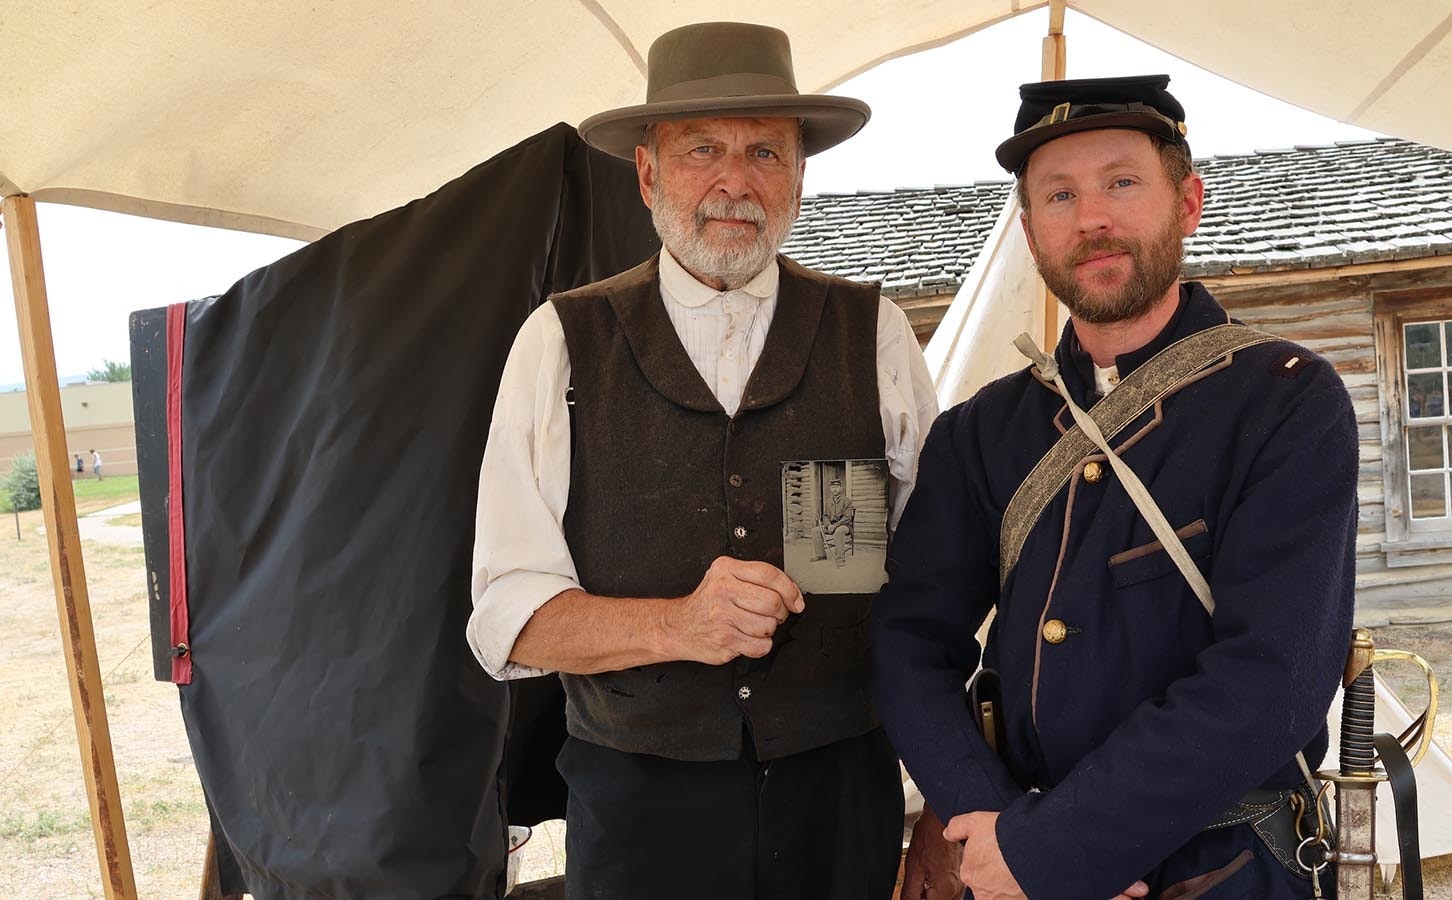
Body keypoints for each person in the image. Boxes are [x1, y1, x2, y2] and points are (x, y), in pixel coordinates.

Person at [466, 21, 937, 900]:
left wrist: (950, 801)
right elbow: (508, 618)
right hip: (643, 816)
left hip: (840, 805)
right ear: (648, 174)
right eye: (702, 150)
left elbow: (930, 585)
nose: (736, 180)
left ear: (799, 176)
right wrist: (678, 626)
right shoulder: (563, 342)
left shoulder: (869, 335)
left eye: (765, 150)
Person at [873, 76, 1358, 900]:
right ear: (1031, 234)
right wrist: (994, 829)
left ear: (1189, 200)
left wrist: (1062, 849)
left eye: (1122, 183)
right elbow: (908, 644)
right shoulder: (980, 432)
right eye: (1059, 195)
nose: (1091, 218)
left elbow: (1272, 677)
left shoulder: (1286, 399)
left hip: (1229, 867)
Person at [811, 478, 856, 566]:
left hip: (844, 525)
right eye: (832, 487)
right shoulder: (828, 501)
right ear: (830, 489)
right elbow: (825, 515)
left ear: (841, 488)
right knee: (815, 531)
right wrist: (828, 525)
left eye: (837, 487)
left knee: (838, 532)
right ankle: (820, 555)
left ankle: (840, 560)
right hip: (830, 525)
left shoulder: (846, 501)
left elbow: (847, 518)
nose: (834, 489)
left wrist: (834, 526)